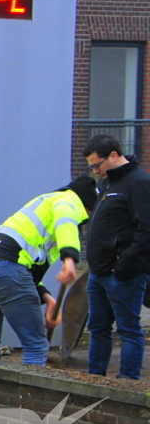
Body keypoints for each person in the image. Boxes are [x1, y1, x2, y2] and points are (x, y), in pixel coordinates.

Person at [0, 176, 97, 366]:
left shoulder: (45, 202)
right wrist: (69, 259)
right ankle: (29, 395)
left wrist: (47, 298)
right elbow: (65, 221)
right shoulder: (68, 202)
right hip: (6, 270)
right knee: (36, 346)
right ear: (86, 205)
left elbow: (26, 268)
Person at [83, 135, 150, 380]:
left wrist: (123, 265)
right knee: (98, 328)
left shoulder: (138, 183)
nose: (95, 171)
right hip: (99, 272)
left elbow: (146, 229)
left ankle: (128, 382)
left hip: (122, 273)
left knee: (128, 329)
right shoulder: (108, 183)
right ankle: (94, 377)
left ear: (113, 156)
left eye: (96, 165)